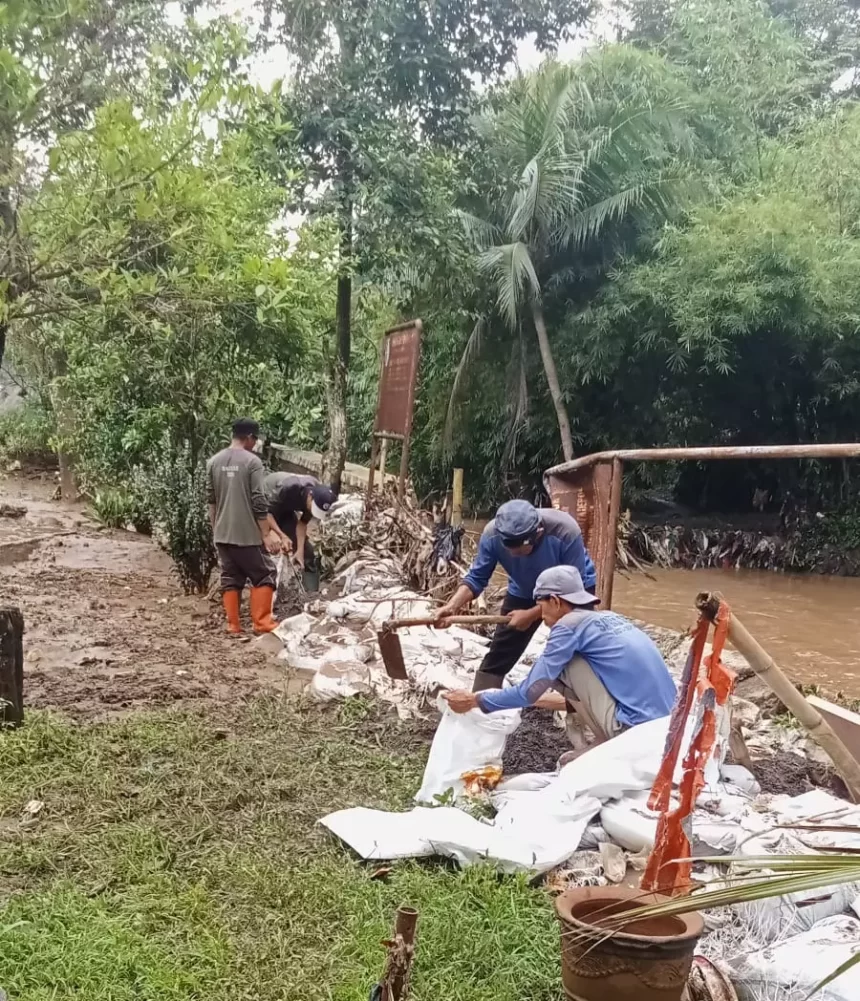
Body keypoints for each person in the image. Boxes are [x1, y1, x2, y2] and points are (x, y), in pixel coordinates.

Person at [443, 565, 676, 740]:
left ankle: (606, 743)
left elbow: (529, 693)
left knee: (565, 662)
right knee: (567, 663)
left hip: (634, 733)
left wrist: (475, 700)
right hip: (667, 729)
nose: (540, 613)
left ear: (554, 601)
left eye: (540, 605)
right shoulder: (609, 618)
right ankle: (601, 742)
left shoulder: (568, 627)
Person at [435, 499, 597, 692]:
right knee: (500, 652)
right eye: (509, 550)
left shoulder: (565, 530)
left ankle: (579, 705)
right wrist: (452, 606)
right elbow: (476, 578)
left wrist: (530, 615)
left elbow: (571, 589)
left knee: (572, 648)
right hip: (524, 588)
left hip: (572, 591)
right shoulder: (492, 535)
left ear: (537, 533)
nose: (514, 555)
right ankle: (479, 705)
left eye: (520, 550)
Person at [207, 418, 280, 636]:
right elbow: (259, 499)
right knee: (265, 573)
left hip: (222, 533)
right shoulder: (252, 462)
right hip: (246, 534)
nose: (255, 443)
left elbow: (211, 500)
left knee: (231, 576)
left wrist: (215, 529)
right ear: (249, 437)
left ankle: (233, 625)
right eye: (255, 439)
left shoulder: (214, 461)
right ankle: (262, 623)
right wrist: (265, 533)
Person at [264, 471, 336, 574]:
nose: (312, 512)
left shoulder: (318, 496)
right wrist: (281, 536)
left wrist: (300, 551)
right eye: (313, 509)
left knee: (307, 552)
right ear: (310, 496)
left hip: (285, 510)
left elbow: (302, 525)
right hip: (261, 506)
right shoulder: (288, 487)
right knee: (260, 545)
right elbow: (266, 514)